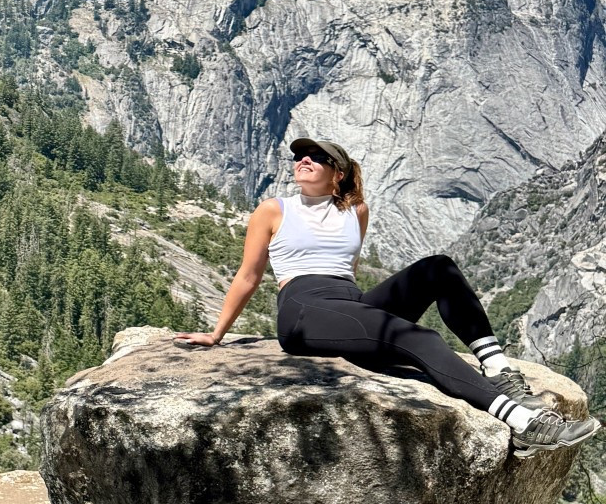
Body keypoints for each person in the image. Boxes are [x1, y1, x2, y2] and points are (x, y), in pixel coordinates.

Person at [177, 136, 599, 452]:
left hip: (348, 304)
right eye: (300, 156)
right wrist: (217, 334)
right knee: (419, 338)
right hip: (304, 309)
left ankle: (497, 369)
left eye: (317, 157)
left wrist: (364, 316)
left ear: (338, 173)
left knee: (438, 267)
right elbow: (248, 276)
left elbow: (348, 270)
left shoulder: (355, 211)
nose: (303, 160)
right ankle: (523, 423)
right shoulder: (274, 209)